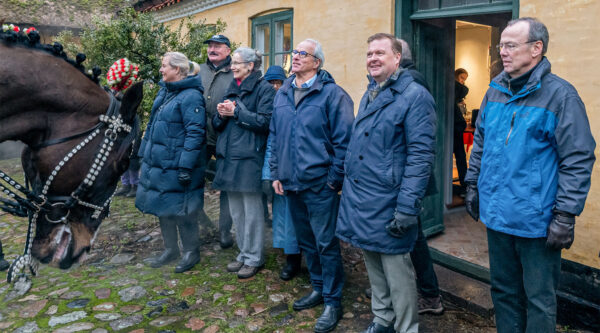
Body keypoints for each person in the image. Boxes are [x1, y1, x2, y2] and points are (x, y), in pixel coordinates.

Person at [465, 17, 596, 333]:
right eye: (501, 46)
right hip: (497, 216)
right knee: (504, 293)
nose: (503, 53)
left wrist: (565, 214)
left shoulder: (561, 96)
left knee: (539, 300)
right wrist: (472, 182)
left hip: (536, 223)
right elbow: (480, 141)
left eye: (511, 45)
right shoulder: (495, 90)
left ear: (536, 48)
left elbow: (577, 158)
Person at [336, 33, 436, 333]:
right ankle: (383, 318)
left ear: (397, 58)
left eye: (380, 53)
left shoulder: (415, 96)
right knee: (373, 262)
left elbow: (420, 156)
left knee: (397, 271)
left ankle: (406, 327)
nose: (373, 59)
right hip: (363, 197)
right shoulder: (372, 92)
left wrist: (407, 207)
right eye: (369, 54)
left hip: (390, 199)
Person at [270, 38, 355, 333]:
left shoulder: (332, 95)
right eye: (294, 52)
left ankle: (333, 300)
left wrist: (333, 180)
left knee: (326, 243)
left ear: (316, 62)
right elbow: (275, 135)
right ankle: (318, 288)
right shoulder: (282, 93)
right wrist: (276, 172)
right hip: (291, 184)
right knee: (306, 243)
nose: (295, 57)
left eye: (302, 54)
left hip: (320, 185)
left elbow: (345, 142)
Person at [136, 52, 207, 274]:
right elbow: (153, 124)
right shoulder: (166, 91)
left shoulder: (191, 96)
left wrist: (185, 166)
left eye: (164, 65)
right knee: (162, 207)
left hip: (178, 165)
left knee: (183, 209)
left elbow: (195, 133)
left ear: (178, 69)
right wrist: (143, 154)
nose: (161, 69)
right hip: (159, 164)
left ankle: (191, 252)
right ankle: (170, 249)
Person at [212, 47, 275, 279]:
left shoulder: (265, 89)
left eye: (237, 63)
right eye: (232, 63)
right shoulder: (232, 87)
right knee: (236, 211)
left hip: (249, 159)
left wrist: (237, 112)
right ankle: (244, 252)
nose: (232, 67)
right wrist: (220, 114)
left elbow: (266, 122)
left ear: (251, 66)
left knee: (252, 212)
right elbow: (217, 124)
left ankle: (255, 257)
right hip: (229, 157)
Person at [398, 38, 444, 315]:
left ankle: (430, 295)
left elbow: (418, 143)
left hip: (407, 179)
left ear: (397, 56)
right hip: (401, 178)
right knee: (410, 238)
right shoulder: (401, 81)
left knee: (412, 239)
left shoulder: (411, 82)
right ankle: (415, 289)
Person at [261, 65, 302, 281]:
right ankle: (290, 256)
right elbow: (272, 141)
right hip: (281, 170)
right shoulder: (277, 101)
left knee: (297, 218)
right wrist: (269, 173)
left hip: (301, 169)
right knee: (284, 218)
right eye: (271, 83)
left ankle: (300, 256)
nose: (275, 87)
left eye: (278, 83)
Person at [199, 34, 234, 249]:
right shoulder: (198, 71)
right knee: (193, 180)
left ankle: (224, 230)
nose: (212, 49)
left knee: (226, 186)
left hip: (225, 137)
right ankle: (199, 222)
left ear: (228, 50)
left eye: (218, 46)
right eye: (210, 45)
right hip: (200, 137)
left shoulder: (235, 72)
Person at [453, 68, 469, 196]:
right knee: (460, 157)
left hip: (455, 128)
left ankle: (464, 184)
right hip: (454, 128)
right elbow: (464, 90)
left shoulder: (454, 91)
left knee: (461, 157)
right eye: (462, 78)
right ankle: (464, 184)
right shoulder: (453, 87)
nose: (463, 82)